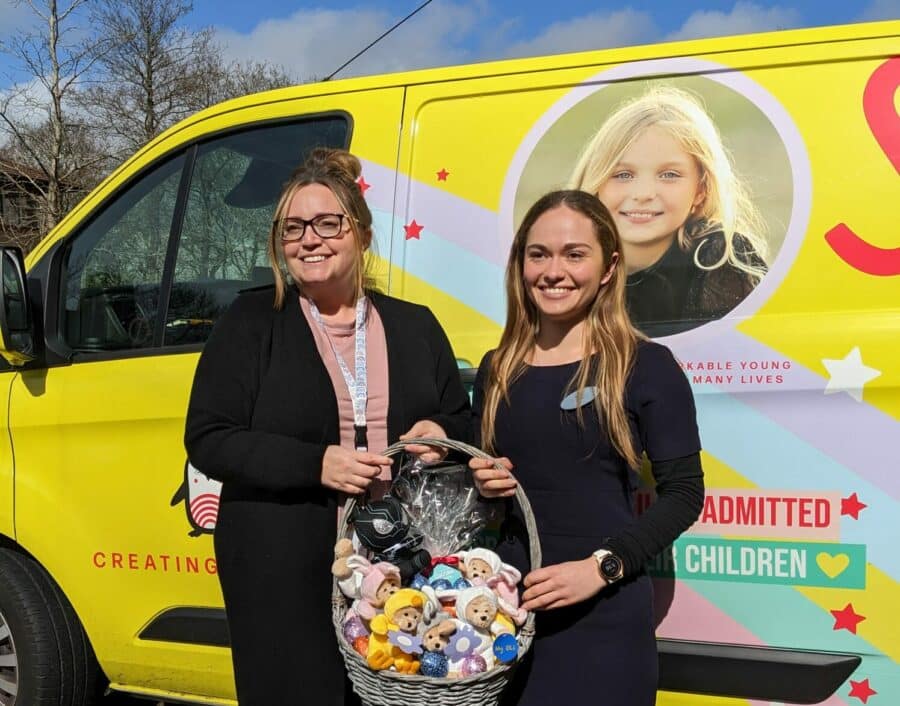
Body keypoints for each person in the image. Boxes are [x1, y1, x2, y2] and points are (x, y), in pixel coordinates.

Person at [184, 147, 470, 706]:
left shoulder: (415, 326)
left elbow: (463, 419)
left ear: (360, 234)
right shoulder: (251, 321)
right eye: (292, 227)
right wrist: (317, 463)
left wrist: (437, 430)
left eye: (327, 223)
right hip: (280, 562)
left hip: (399, 559)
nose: (308, 239)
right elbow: (209, 436)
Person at [469, 190, 705, 705]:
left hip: (602, 621)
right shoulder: (497, 367)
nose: (554, 271)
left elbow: (685, 495)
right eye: (539, 254)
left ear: (607, 267)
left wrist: (602, 568)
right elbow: (487, 492)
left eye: (575, 254)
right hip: (506, 621)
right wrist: (481, 480)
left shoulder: (646, 365)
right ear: (520, 264)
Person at [570, 85, 768, 336]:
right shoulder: (567, 265)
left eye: (669, 175)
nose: (643, 194)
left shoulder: (719, 257)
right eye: (623, 174)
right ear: (596, 185)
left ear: (701, 190)